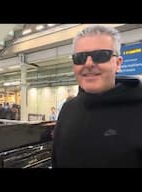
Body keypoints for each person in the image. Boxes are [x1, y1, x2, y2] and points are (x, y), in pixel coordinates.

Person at [52, 25, 142, 168]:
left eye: (101, 56)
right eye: (80, 58)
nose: (88, 64)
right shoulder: (68, 109)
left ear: (118, 64)